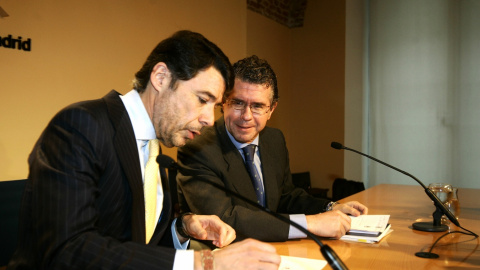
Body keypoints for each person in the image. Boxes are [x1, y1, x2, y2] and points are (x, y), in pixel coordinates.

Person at [8, 32, 280, 270]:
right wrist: (204, 263)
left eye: (214, 105)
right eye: (202, 100)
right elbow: (67, 250)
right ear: (161, 77)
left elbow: (136, 244)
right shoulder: (81, 125)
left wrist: (182, 228)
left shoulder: (154, 147)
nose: (210, 118)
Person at [176, 55, 368, 242]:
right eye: (238, 103)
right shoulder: (197, 149)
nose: (246, 116)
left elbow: (286, 196)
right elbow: (225, 218)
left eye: (258, 106)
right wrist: (308, 224)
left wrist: (330, 207)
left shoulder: (274, 139)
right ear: (224, 101)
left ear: (272, 109)